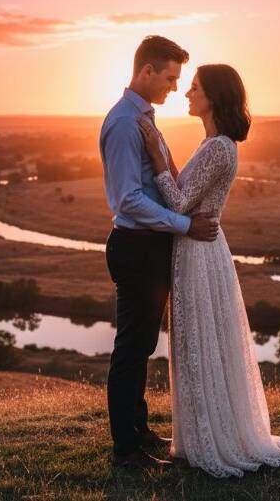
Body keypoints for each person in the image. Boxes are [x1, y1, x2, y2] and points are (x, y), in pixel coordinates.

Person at [137, 63, 280, 478]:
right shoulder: (213, 144)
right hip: (198, 248)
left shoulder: (218, 147)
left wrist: (156, 156)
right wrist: (167, 158)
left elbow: (179, 203)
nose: (187, 93)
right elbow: (187, 192)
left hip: (199, 252)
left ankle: (212, 439)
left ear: (214, 96)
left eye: (194, 87)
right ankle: (201, 433)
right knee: (199, 340)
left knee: (199, 340)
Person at [99, 35, 220, 470]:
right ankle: (125, 450)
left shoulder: (143, 119)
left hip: (150, 247)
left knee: (143, 344)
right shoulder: (124, 124)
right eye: (170, 78)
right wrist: (186, 226)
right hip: (136, 248)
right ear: (147, 71)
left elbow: (161, 181)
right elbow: (128, 200)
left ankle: (139, 430)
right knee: (131, 348)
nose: (175, 87)